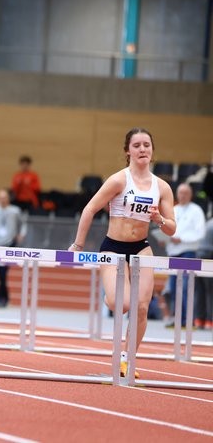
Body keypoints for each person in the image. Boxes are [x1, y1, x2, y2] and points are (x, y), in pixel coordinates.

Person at [69, 127, 175, 378]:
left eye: (146, 145)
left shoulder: (162, 187)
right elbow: (90, 209)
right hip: (113, 248)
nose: (142, 149)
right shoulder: (119, 180)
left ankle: (127, 358)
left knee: (141, 308)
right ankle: (110, 298)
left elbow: (171, 229)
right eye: (136, 145)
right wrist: (78, 245)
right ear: (128, 151)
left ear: (152, 150)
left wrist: (159, 219)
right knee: (123, 304)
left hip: (141, 248)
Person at [161, 183, 206, 328]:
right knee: (173, 287)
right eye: (180, 193)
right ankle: (178, 318)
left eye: (185, 193)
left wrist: (182, 239)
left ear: (190, 195)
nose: (182, 196)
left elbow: (200, 233)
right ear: (177, 194)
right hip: (173, 253)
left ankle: (189, 319)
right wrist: (164, 239)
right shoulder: (173, 209)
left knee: (186, 286)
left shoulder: (196, 210)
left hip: (188, 252)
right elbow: (167, 229)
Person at [194, 217, 213, 329]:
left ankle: (199, 319)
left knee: (200, 290)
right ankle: (210, 320)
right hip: (209, 256)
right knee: (210, 291)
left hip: (199, 255)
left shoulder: (208, 222)